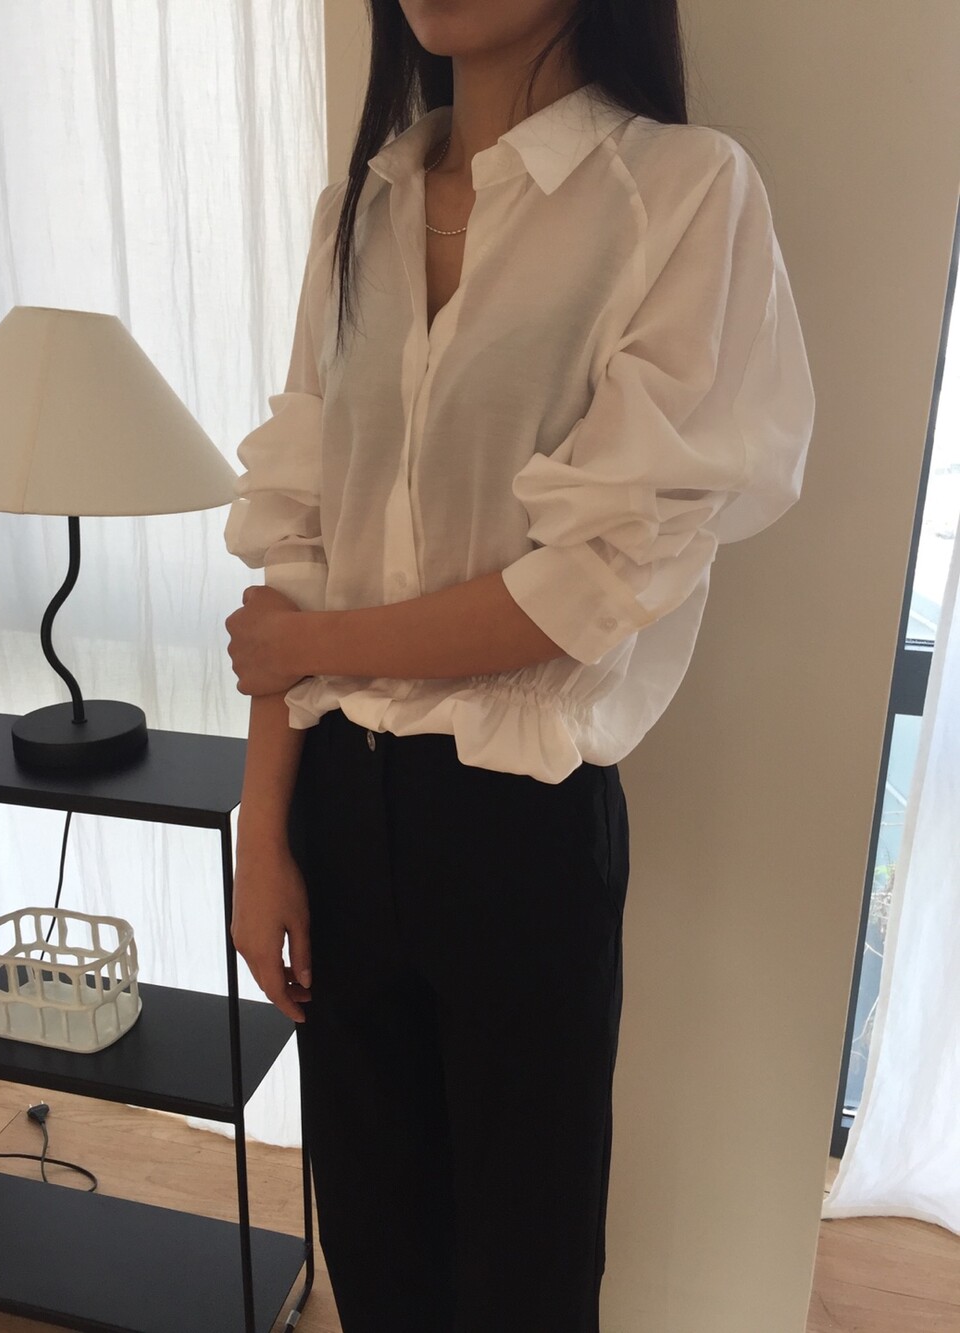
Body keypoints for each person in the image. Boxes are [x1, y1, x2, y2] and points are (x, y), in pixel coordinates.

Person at [222, 1, 816, 1329]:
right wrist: (264, 832)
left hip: (518, 829)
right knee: (374, 1252)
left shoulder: (682, 194)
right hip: (338, 806)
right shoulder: (356, 217)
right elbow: (297, 534)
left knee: (526, 1279)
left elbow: (587, 584)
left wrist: (313, 646)